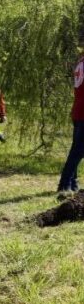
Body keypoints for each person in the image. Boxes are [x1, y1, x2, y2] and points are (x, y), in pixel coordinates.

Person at [57, 51, 84, 199]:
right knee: (78, 151)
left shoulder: (81, 62)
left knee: (77, 149)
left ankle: (72, 183)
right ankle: (64, 184)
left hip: (78, 110)